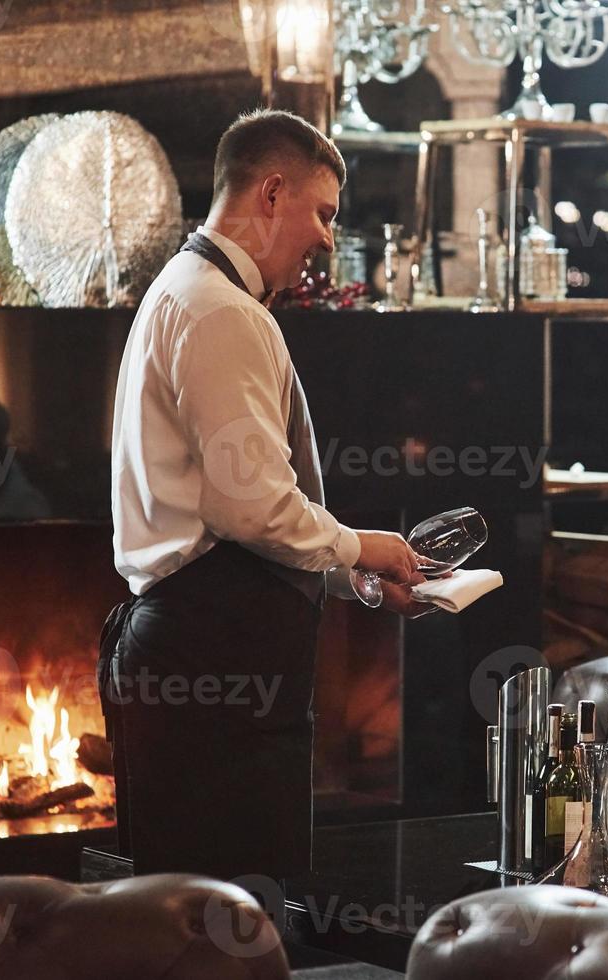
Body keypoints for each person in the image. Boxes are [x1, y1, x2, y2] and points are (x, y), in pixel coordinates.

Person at [104, 109, 430, 884]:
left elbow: (238, 527)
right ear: (273, 192)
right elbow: (247, 508)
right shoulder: (219, 309)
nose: (325, 239)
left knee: (207, 922)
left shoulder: (195, 293)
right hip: (209, 661)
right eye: (322, 213)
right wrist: (364, 546)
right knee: (232, 926)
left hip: (204, 652)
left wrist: (354, 583)